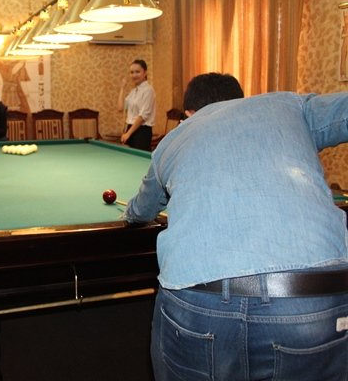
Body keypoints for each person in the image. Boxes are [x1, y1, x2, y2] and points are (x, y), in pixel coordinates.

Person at [123, 72, 348, 380]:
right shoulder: (288, 105)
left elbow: (140, 210)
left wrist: (130, 215)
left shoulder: (172, 140)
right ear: (241, 99)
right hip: (314, 296)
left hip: (200, 298)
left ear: (188, 113)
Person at [117, 59, 156, 151]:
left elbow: (143, 116)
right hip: (130, 129)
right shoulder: (133, 91)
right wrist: (122, 88)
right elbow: (120, 107)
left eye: (137, 72)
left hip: (142, 131)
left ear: (145, 73)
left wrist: (128, 134)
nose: (134, 75)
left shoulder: (148, 90)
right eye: (132, 72)